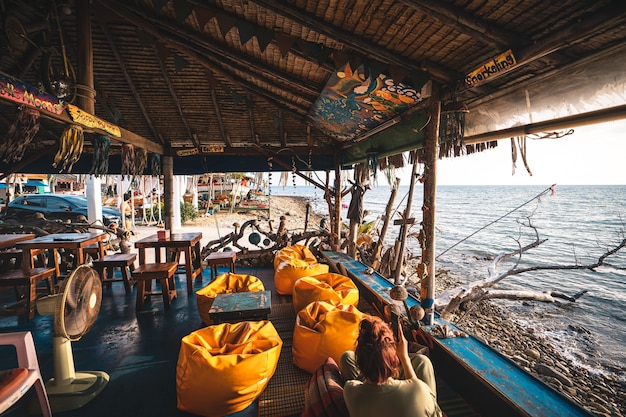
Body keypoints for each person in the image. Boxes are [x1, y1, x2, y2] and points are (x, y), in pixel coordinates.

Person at [339, 316, 442, 417]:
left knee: (346, 357)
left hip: (371, 394)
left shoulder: (350, 390)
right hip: (409, 397)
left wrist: (371, 360)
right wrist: (404, 358)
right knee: (422, 361)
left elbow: (364, 378)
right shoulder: (418, 389)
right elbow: (416, 388)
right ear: (394, 359)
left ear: (359, 360)